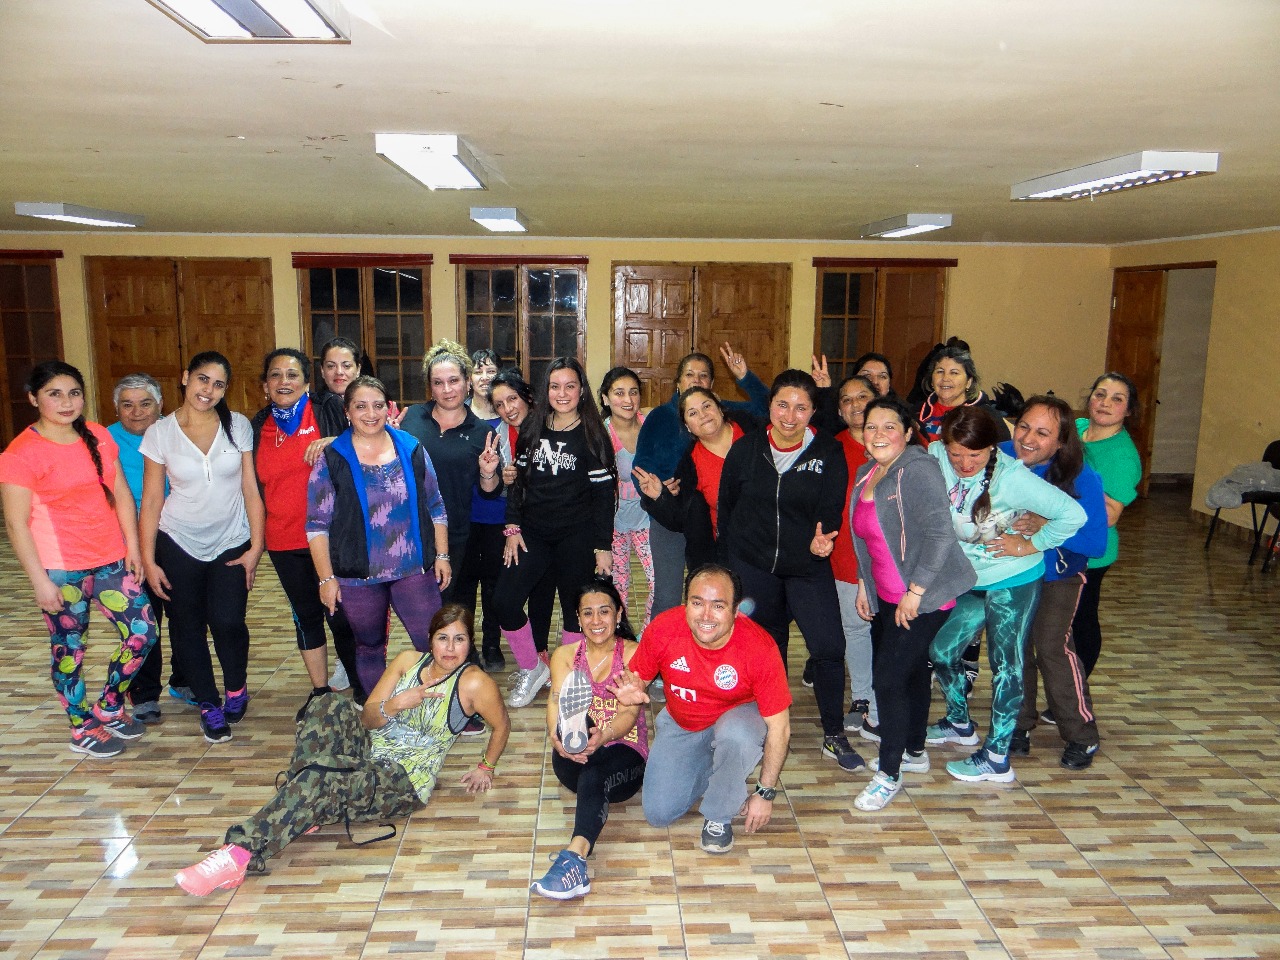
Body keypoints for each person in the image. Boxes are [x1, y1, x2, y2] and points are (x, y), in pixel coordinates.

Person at [174, 605, 510, 897]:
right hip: (369, 750)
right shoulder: (408, 661)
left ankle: (237, 855)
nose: (450, 648)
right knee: (327, 704)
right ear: (430, 639)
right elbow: (367, 718)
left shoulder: (474, 683)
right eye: (442, 638)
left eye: (459, 639)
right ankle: (304, 803)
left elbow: (502, 725)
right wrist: (395, 704)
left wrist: (486, 766)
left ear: (470, 642)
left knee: (321, 777)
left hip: (403, 779)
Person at [0, 361, 159, 758]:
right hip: (60, 568)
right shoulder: (20, 453)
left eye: (74, 393)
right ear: (33, 399)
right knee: (69, 650)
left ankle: (109, 706)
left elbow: (121, 493)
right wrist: (40, 582)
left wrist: (132, 548)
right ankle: (80, 726)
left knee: (142, 632)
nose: (66, 402)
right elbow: (17, 525)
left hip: (110, 559)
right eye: (54, 394)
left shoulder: (98, 435)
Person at [925, 406, 1086, 783]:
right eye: (956, 454)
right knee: (941, 652)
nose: (965, 463)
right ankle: (959, 723)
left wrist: (1032, 544)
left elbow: (1074, 515)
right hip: (971, 579)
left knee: (1006, 664)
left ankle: (997, 756)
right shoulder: (936, 455)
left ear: (991, 449)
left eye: (975, 455)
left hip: (1013, 579)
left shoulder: (1013, 478)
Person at [717, 370, 862, 773]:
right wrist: (728, 567)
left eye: (801, 408)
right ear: (770, 407)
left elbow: (831, 506)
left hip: (806, 567)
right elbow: (727, 510)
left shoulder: (827, 451)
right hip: (753, 566)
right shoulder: (746, 450)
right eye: (783, 405)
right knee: (769, 650)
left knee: (829, 647)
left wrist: (824, 538)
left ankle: (834, 732)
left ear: (813, 411)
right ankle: (771, 728)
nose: (790, 416)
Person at [847, 396, 975, 811]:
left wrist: (916, 593)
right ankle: (914, 751)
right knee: (912, 671)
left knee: (887, 680)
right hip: (888, 595)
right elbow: (867, 540)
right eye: (871, 426)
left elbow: (940, 535)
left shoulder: (918, 470)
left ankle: (889, 774)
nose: (878, 434)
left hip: (925, 596)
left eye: (889, 426)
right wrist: (864, 584)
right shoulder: (868, 472)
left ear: (907, 432)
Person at [616, 564, 791, 854]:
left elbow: (780, 728)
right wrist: (631, 694)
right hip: (683, 720)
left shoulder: (759, 647)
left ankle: (719, 815)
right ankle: (719, 764)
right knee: (659, 813)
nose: (706, 616)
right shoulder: (663, 628)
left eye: (718, 606)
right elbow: (638, 682)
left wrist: (765, 792)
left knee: (735, 736)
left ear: (736, 610)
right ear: (686, 604)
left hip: (738, 718)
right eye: (697, 603)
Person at [140, 351, 265, 745]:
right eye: (202, 379)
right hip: (178, 541)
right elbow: (152, 500)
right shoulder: (160, 433)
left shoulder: (238, 426)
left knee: (228, 622)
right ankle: (209, 704)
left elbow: (250, 488)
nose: (208, 390)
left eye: (218, 384)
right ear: (185, 378)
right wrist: (148, 560)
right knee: (186, 626)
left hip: (231, 540)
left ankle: (236, 688)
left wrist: (256, 546)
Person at [307, 376, 451, 699]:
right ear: (347, 412)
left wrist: (442, 555)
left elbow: (435, 505)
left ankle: (443, 712)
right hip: (357, 576)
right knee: (369, 645)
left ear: (389, 408)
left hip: (413, 569)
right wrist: (326, 579)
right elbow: (316, 525)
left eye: (377, 405)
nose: (370, 414)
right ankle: (381, 712)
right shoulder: (332, 458)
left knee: (434, 641)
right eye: (361, 406)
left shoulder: (412, 448)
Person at [495, 357, 616, 709]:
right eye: (555, 386)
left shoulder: (593, 434)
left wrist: (602, 546)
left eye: (570, 386)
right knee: (504, 602)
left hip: (577, 535)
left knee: (575, 609)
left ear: (582, 391)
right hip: (533, 533)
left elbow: (602, 497)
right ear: (545, 390)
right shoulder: (532, 427)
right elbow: (518, 484)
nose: (562, 393)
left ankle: (568, 676)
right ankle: (532, 667)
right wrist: (512, 527)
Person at [250, 348, 362, 719]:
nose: (284, 382)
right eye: (275, 375)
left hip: (329, 539)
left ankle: (363, 689)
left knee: (341, 617)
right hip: (283, 540)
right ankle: (320, 691)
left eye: (292, 374)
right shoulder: (257, 427)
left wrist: (334, 441)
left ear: (307, 382)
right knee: (305, 616)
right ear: (265, 385)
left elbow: (367, 437)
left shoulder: (327, 409)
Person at [1002, 396, 1108, 770]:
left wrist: (1049, 525)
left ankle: (1082, 734)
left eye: (1042, 433)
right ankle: (1017, 724)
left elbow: (1096, 543)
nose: (1028, 438)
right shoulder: (1001, 456)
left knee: (1051, 646)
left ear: (1061, 442)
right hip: (1012, 572)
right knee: (1014, 648)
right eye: (1023, 427)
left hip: (1057, 576)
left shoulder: (1081, 478)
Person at [633, 344, 769, 620]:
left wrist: (745, 377)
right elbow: (642, 467)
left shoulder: (725, 414)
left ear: (712, 387)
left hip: (716, 525)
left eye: (703, 375)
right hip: (670, 511)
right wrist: (660, 493)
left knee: (728, 596)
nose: (696, 380)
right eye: (689, 375)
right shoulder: (660, 417)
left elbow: (768, 409)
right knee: (669, 597)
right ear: (678, 382)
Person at [531, 580, 647, 900]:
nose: (596, 620)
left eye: (604, 612)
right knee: (575, 727)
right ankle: (574, 738)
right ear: (578, 619)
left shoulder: (634, 653)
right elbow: (555, 701)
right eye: (588, 613)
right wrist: (556, 738)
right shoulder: (565, 655)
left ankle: (575, 857)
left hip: (624, 754)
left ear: (619, 614)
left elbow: (629, 713)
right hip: (572, 758)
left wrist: (604, 736)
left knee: (595, 773)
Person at [398, 341, 502, 603]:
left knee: (450, 607)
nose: (447, 390)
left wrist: (487, 473)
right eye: (438, 383)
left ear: (467, 382)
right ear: (430, 387)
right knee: (415, 608)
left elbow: (489, 492)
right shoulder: (411, 418)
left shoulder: (482, 432)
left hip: (455, 534)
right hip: (408, 531)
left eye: (454, 380)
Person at [107, 372, 181, 724]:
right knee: (144, 620)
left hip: (178, 536)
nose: (136, 412)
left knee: (185, 614)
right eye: (127, 405)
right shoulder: (104, 440)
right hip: (130, 541)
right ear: (116, 408)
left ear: (160, 404)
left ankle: (185, 680)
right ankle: (145, 694)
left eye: (145, 404)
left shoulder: (177, 431)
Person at [634, 386, 755, 574]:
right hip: (726, 556)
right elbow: (680, 518)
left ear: (720, 408)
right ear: (688, 426)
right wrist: (659, 496)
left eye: (707, 406)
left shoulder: (754, 431)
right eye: (693, 413)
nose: (703, 415)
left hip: (771, 545)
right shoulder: (690, 465)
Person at [1071, 373, 1143, 679]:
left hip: (1091, 551)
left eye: (1117, 399)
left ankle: (1078, 687)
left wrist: (1070, 485)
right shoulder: (1077, 429)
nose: (1105, 403)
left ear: (1128, 411)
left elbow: (1110, 515)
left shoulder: (1122, 456)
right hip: (1061, 542)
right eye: (1100, 395)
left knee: (1081, 620)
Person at [488, 368, 556, 670]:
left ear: (526, 396)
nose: (508, 409)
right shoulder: (499, 436)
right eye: (499, 404)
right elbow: (493, 488)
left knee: (543, 593)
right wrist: (502, 479)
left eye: (512, 399)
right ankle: (533, 664)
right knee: (506, 600)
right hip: (519, 526)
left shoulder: (551, 425)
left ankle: (540, 655)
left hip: (555, 525)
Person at [826, 375, 881, 738]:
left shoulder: (900, 442)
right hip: (846, 556)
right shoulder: (831, 448)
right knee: (856, 629)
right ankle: (862, 696)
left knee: (890, 632)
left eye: (863, 396)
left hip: (892, 560)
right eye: (847, 400)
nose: (855, 404)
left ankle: (886, 699)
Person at [452, 348, 507, 671]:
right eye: (478, 371)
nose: (484, 377)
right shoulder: (458, 416)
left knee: (495, 585)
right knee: (463, 586)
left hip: (500, 517)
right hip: (464, 517)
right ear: (468, 379)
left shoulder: (509, 415)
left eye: (491, 371)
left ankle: (492, 643)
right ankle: (467, 645)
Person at [316, 336, 362, 694]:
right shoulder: (320, 405)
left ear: (358, 369)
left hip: (362, 518)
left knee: (360, 603)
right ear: (321, 371)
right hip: (327, 516)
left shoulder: (369, 403)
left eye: (346, 365)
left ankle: (360, 663)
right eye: (331, 366)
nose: (339, 372)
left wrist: (336, 442)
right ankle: (348, 662)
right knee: (335, 599)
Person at [599, 367, 655, 628]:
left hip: (648, 517)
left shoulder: (651, 424)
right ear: (605, 398)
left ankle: (648, 635)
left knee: (658, 580)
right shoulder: (600, 435)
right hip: (614, 523)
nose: (628, 400)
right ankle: (621, 636)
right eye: (619, 393)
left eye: (633, 392)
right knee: (618, 586)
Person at [916, 344, 1011, 443]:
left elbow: (1003, 450)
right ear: (932, 380)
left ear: (969, 382)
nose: (945, 378)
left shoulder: (987, 416)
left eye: (954, 373)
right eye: (940, 371)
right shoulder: (916, 412)